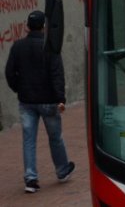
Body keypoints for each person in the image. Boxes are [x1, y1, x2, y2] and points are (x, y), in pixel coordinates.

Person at [5, 10, 74, 193]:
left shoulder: (17, 46)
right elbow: (57, 74)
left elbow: (9, 73)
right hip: (49, 100)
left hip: (26, 101)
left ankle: (31, 178)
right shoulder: (50, 46)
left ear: (27, 26)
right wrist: (60, 98)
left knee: (29, 139)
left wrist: (18, 89)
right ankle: (62, 170)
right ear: (44, 26)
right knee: (55, 137)